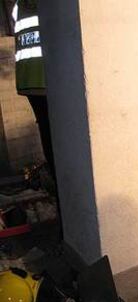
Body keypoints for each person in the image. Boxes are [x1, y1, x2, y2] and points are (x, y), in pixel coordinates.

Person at [12, 0, 56, 177]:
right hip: (51, 78)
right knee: (60, 131)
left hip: (29, 78)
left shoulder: (19, 5)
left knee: (46, 128)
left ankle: (55, 174)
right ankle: (62, 177)